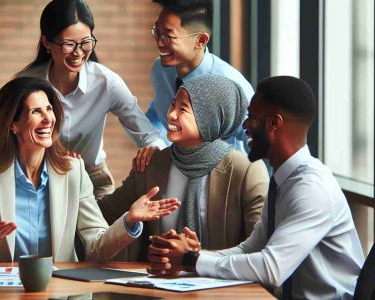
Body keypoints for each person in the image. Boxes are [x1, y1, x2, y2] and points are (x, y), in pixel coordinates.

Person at [147, 76, 365, 299]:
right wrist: (193, 255)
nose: (244, 126)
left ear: (274, 123)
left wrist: (190, 259)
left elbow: (271, 268)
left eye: (251, 117)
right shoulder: (283, 180)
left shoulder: (311, 188)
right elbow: (250, 249)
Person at [0, 77, 180, 262]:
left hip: (61, 291)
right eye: (36, 112)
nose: (48, 119)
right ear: (13, 125)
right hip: (4, 293)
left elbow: (96, 247)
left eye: (49, 109)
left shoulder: (73, 172)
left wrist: (129, 219)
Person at [98, 74, 266, 261]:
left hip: (223, 285)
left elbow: (259, 249)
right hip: (156, 285)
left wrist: (194, 258)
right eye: (173, 104)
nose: (170, 114)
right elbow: (103, 214)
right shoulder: (153, 163)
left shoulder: (246, 170)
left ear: (209, 118)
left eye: (183, 109)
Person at [17, 0, 167, 198]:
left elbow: (148, 133)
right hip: (38, 178)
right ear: (46, 43)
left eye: (86, 42)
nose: (78, 53)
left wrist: (152, 148)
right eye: (69, 44)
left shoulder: (105, 82)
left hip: (93, 179)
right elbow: (7, 141)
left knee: (106, 228)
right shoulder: (25, 84)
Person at [143, 0, 254, 160]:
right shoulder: (160, 70)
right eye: (157, 32)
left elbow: (259, 139)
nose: (159, 42)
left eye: (168, 36)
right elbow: (158, 111)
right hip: (180, 171)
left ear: (200, 40)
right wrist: (155, 143)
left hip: (225, 178)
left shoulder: (230, 84)